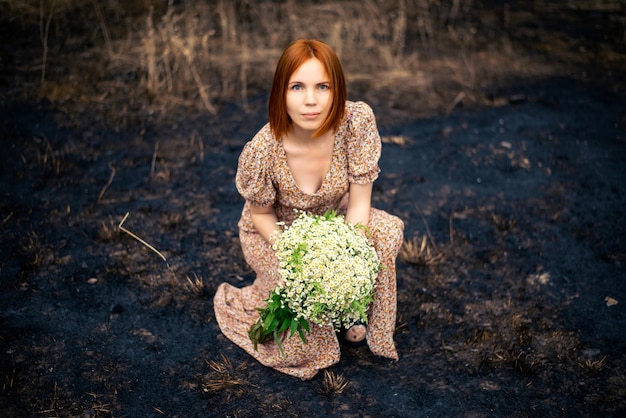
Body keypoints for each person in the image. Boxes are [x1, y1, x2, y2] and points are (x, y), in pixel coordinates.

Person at [213, 39, 404, 380]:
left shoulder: (354, 125)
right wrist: (299, 253)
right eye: (297, 87)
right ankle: (317, 307)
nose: (311, 100)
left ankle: (351, 308)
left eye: (322, 86)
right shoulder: (263, 149)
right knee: (306, 318)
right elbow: (260, 215)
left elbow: (359, 202)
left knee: (386, 231)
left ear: (336, 90)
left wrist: (346, 252)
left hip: (334, 220)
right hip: (276, 234)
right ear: (281, 93)